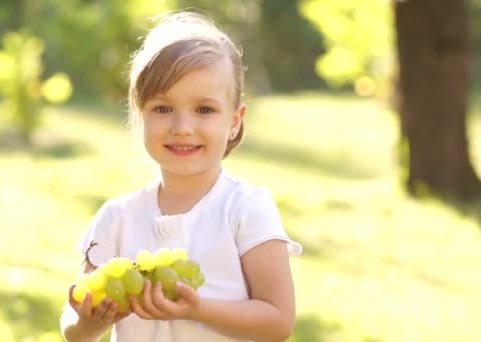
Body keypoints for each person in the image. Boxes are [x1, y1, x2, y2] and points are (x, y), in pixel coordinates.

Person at [60, 10, 302, 342]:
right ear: (140, 115)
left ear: (234, 120)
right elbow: (73, 330)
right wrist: (89, 323)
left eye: (204, 110)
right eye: (163, 109)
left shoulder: (246, 209)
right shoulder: (117, 217)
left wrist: (196, 309)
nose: (182, 128)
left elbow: (277, 323)